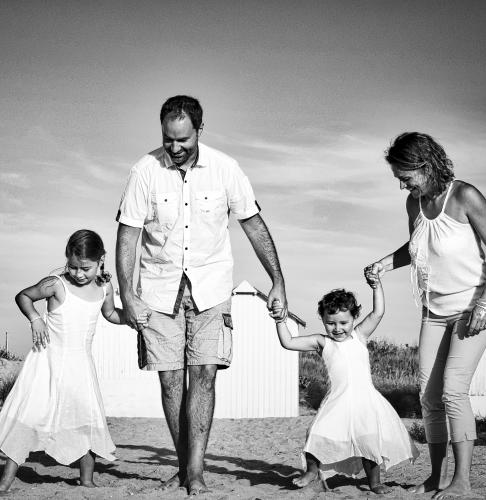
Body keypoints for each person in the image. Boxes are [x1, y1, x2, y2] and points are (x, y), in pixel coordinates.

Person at [115, 95, 287, 495]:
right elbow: (128, 233)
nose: (174, 149)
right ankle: (182, 465)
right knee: (172, 382)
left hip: (211, 288)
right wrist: (128, 294)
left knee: (205, 374)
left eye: (183, 141)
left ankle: (195, 471)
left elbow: (253, 225)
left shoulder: (226, 169)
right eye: (168, 140)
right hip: (158, 290)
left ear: (199, 130)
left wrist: (277, 280)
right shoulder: (144, 170)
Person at [365, 132, 486, 499]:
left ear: (425, 166)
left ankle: (463, 482)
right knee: (428, 395)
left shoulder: (464, 196)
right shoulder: (414, 204)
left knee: (454, 391)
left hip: (472, 308)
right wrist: (382, 264)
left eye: (404, 175)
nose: (401, 184)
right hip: (433, 312)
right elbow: (415, 249)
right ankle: (437, 477)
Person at [0, 230, 141, 492]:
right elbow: (23, 296)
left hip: (80, 368)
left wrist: (132, 319)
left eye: (85, 268)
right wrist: (35, 319)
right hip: (47, 364)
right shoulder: (56, 284)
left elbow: (110, 313)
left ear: (101, 260)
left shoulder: (104, 288)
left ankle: (86, 479)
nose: (78, 274)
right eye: (73, 266)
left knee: (85, 419)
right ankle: (6, 481)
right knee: (28, 416)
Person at [271, 271, 419, 494]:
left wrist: (376, 285)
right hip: (337, 401)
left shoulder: (359, 336)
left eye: (343, 322)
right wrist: (281, 320)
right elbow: (288, 342)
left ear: (354, 319)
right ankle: (311, 471)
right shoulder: (322, 342)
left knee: (369, 442)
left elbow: (378, 312)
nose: (337, 328)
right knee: (315, 433)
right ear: (322, 319)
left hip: (365, 401)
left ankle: (375, 482)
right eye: (331, 323)